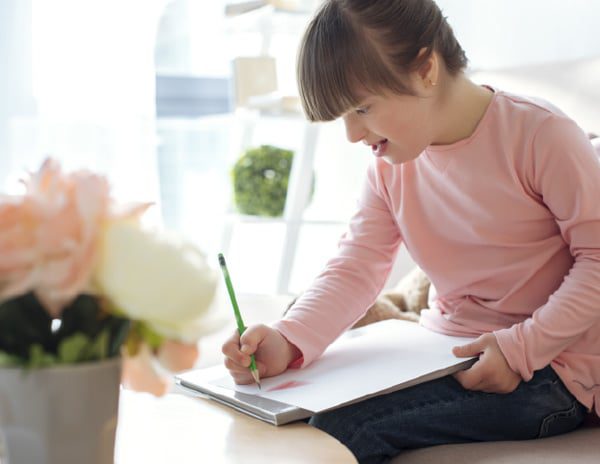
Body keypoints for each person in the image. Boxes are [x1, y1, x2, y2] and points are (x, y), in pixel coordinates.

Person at [222, 1, 600, 462]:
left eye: (361, 107)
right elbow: (356, 267)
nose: (352, 134)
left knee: (340, 430)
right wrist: (289, 338)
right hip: (441, 350)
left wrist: (520, 348)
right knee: (284, 411)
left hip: (548, 370)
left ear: (425, 69)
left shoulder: (541, 135)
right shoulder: (388, 169)